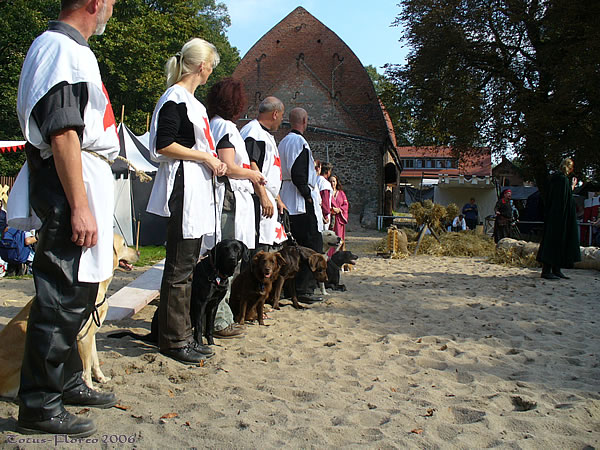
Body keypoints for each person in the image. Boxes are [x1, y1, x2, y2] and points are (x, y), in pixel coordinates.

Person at [7, 0, 119, 437]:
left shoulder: (71, 51)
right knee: (60, 295)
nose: (112, 9)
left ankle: (68, 380)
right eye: (111, 2)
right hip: (68, 182)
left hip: (80, 179)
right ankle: (39, 404)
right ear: (94, 2)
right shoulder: (59, 50)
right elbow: (62, 131)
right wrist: (79, 204)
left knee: (79, 292)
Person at [146, 38, 227, 364]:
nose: (211, 72)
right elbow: (163, 144)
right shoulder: (175, 98)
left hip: (196, 188)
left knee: (188, 266)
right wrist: (205, 157)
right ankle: (174, 339)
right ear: (202, 66)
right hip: (184, 186)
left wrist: (210, 160)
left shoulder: (192, 103)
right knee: (179, 267)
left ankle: (181, 333)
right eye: (211, 66)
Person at [206, 78, 265, 338]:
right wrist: (253, 175)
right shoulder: (226, 127)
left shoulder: (212, 124)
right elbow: (228, 166)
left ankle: (221, 315)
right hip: (229, 199)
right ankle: (219, 319)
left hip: (223, 198)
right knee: (227, 261)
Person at [279, 107, 324, 298]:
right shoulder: (300, 142)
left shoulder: (283, 142)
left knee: (291, 246)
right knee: (311, 244)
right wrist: (307, 194)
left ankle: (289, 288)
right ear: (304, 121)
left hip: (286, 195)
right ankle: (304, 288)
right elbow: (299, 173)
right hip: (299, 200)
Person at [240, 97, 287, 251]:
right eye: (281, 115)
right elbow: (252, 165)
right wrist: (264, 197)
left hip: (267, 197)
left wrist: (277, 198)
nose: (281, 120)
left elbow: (268, 170)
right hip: (257, 199)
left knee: (266, 248)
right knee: (258, 251)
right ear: (275, 114)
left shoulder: (263, 134)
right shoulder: (254, 133)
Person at [536, 158, 581, 279]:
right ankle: (547, 270)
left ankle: (556, 269)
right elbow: (564, 199)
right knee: (554, 242)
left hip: (555, 216)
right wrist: (572, 187)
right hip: (559, 217)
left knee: (557, 242)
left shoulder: (556, 179)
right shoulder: (562, 180)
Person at [328, 175, 349, 258]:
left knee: (339, 238)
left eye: (334, 181)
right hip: (330, 219)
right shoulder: (327, 192)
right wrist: (331, 209)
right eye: (330, 181)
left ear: (336, 182)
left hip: (339, 219)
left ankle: (339, 257)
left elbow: (346, 205)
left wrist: (339, 209)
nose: (332, 183)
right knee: (330, 238)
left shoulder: (341, 193)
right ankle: (329, 256)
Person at [316, 161, 333, 229]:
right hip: (321, 214)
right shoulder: (325, 183)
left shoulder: (315, 180)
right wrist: (325, 215)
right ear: (328, 172)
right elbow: (325, 199)